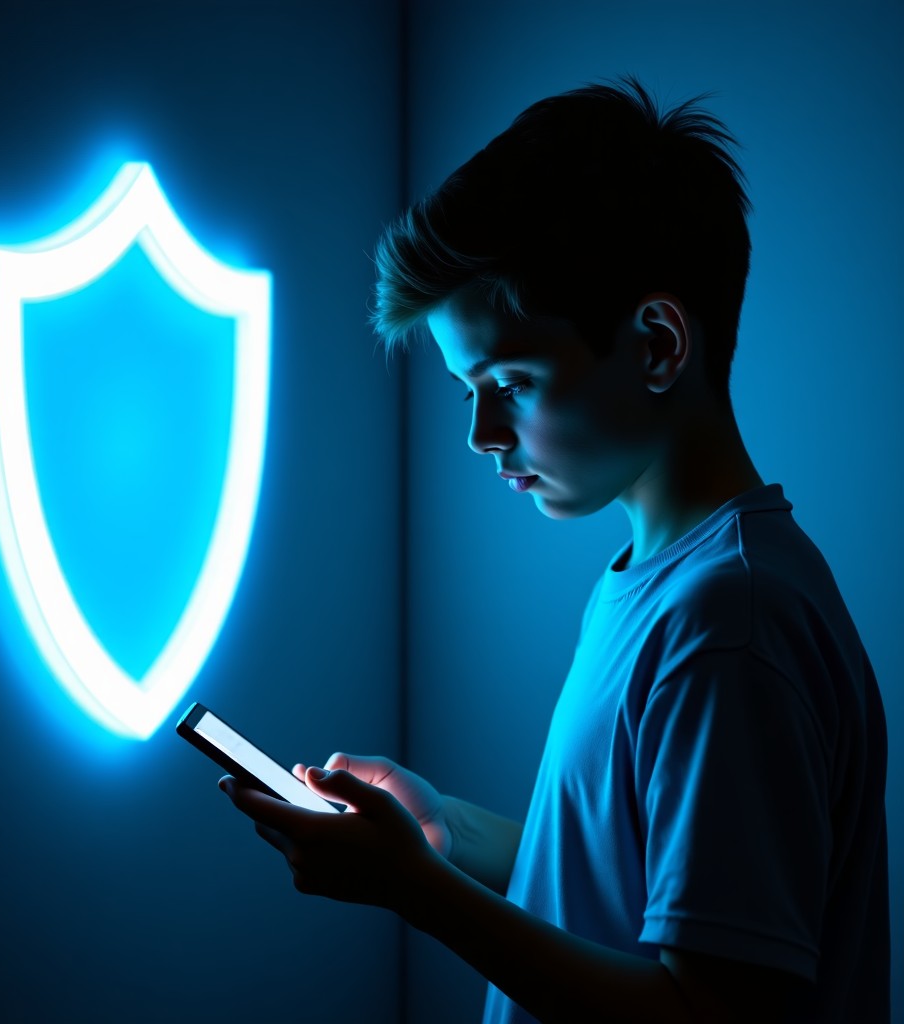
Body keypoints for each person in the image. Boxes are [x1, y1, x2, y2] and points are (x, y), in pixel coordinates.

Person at [218, 77, 889, 1022]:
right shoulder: (658, 587)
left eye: (511, 381)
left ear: (657, 345)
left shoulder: (729, 624)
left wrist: (416, 891)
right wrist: (440, 828)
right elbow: (624, 874)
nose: (482, 434)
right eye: (468, 392)